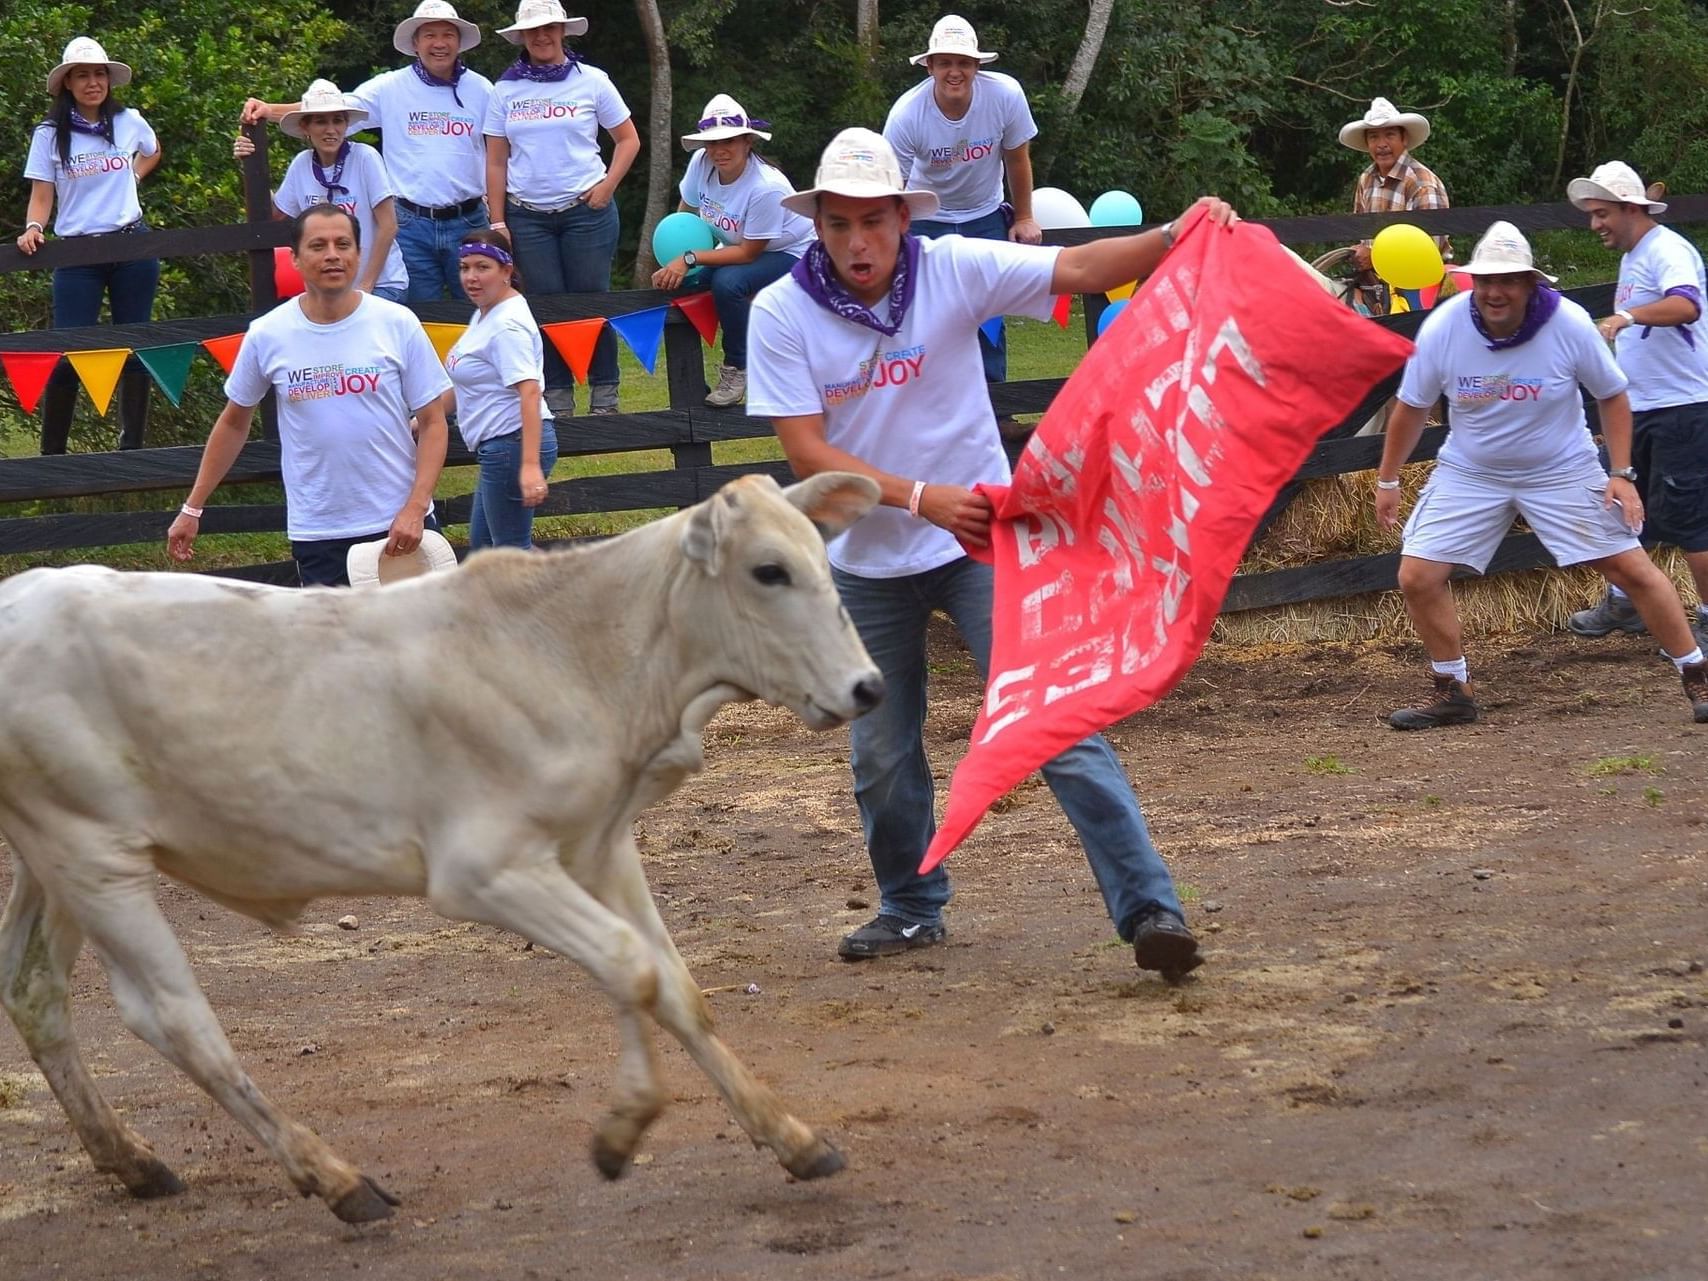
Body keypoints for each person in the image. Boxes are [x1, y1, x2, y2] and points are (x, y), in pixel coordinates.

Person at [747, 127, 1236, 978]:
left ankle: (1151, 906)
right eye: (839, 225)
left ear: (904, 216)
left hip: (982, 537)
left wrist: (1175, 234)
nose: (859, 242)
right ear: (817, 224)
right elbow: (806, 455)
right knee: (882, 754)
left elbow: (1079, 271)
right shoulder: (780, 311)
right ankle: (908, 907)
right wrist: (916, 496)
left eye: (874, 221)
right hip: (869, 560)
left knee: (1056, 721)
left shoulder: (951, 268)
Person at [1373, 221, 1708, 728]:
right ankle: (1453, 690)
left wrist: (1620, 472)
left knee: (1632, 570)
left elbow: (1612, 394)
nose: (1494, 291)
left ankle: (1696, 675)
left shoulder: (1568, 324)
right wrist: (1388, 479)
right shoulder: (1444, 326)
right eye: (1485, 281)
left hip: (1561, 467)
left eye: (1507, 280)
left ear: (1531, 284)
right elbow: (1413, 405)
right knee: (1417, 576)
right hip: (1472, 470)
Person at [167, 206, 451, 588]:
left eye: (343, 244)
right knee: (335, 646)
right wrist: (192, 507)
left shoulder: (396, 322)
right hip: (320, 531)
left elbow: (433, 422)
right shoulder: (268, 333)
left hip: (399, 525)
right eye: (318, 245)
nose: (332, 254)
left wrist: (416, 508)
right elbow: (234, 421)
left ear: (358, 254)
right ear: (296, 260)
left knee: (416, 645)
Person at [240, 1, 494, 304]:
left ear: (459, 41)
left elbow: (501, 152)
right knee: (422, 317)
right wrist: (269, 111)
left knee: (481, 309)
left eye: (447, 35)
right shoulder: (390, 87)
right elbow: (331, 108)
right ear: (415, 43)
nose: (439, 44)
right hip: (412, 223)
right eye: (429, 35)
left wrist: (500, 215)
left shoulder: (482, 90)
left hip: (468, 218)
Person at [1562, 161, 1708, 652]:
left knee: (1693, 522)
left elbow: (1687, 304)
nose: (1594, 224)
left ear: (1629, 208)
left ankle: (1706, 620)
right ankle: (1626, 599)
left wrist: (1625, 316)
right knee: (1621, 507)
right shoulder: (1636, 254)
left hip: (1682, 407)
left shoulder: (1667, 250)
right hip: (1644, 407)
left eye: (1602, 213)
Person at [483, 0, 639, 418]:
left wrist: (607, 186)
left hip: (586, 211)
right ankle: (557, 394)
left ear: (563, 31)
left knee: (593, 302)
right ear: (521, 37)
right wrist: (497, 221)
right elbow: (495, 160)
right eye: (532, 30)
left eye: (549, 28)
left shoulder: (593, 81)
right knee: (545, 306)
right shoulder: (505, 89)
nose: (542, 36)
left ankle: (605, 394)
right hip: (527, 215)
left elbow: (628, 139)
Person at [18, 36, 161, 454]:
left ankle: (131, 444)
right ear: (67, 83)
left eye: (99, 74)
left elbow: (152, 151)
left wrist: (132, 177)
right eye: (83, 75)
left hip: (132, 244)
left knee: (139, 345)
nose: (93, 82)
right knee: (68, 348)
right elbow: (42, 193)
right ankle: (52, 455)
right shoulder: (49, 134)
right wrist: (33, 226)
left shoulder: (129, 120)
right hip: (78, 251)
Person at [883, 15, 1040, 391]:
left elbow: (1017, 158)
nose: (955, 72)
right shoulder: (906, 114)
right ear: (930, 66)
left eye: (964, 63)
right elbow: (891, 187)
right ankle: (930, 408)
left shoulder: (1006, 95)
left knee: (988, 314)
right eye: (946, 63)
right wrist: (887, 238)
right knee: (922, 314)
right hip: (925, 217)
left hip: (984, 212)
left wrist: (1025, 217)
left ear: (976, 66)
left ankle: (996, 408)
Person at [650, 94, 814, 408]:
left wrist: (690, 258)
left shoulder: (766, 187)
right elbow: (686, 214)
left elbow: (748, 254)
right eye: (712, 143)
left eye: (729, 141)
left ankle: (740, 365)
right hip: (737, 247)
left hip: (794, 251)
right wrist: (676, 258)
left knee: (729, 283)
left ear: (748, 142)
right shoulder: (701, 163)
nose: (719, 150)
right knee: (679, 282)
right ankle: (688, 379)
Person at [234, 79, 409, 302]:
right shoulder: (302, 164)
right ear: (305, 128)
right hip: (331, 291)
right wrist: (251, 165)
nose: (330, 130)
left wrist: (366, 287)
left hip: (381, 284)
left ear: (346, 125)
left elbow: (389, 225)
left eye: (337, 121)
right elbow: (275, 215)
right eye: (320, 122)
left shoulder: (365, 158)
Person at [442, 228, 558, 550]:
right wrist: (425, 418)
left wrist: (530, 466)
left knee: (507, 553)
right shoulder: (487, 313)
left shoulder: (507, 325)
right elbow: (468, 382)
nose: (471, 277)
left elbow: (530, 392)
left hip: (513, 444)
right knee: (486, 551)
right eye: (465, 267)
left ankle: (564, 597)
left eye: (483, 267)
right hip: (502, 446)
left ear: (506, 270)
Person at [1340, 96, 1450, 306]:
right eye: (1373, 137)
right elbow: (1360, 233)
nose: (1381, 144)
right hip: (1374, 284)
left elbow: (1429, 250)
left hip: (1419, 286)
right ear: (1367, 142)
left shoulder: (1422, 182)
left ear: (1404, 139)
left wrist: (1375, 257)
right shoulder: (1366, 179)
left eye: (1389, 135)